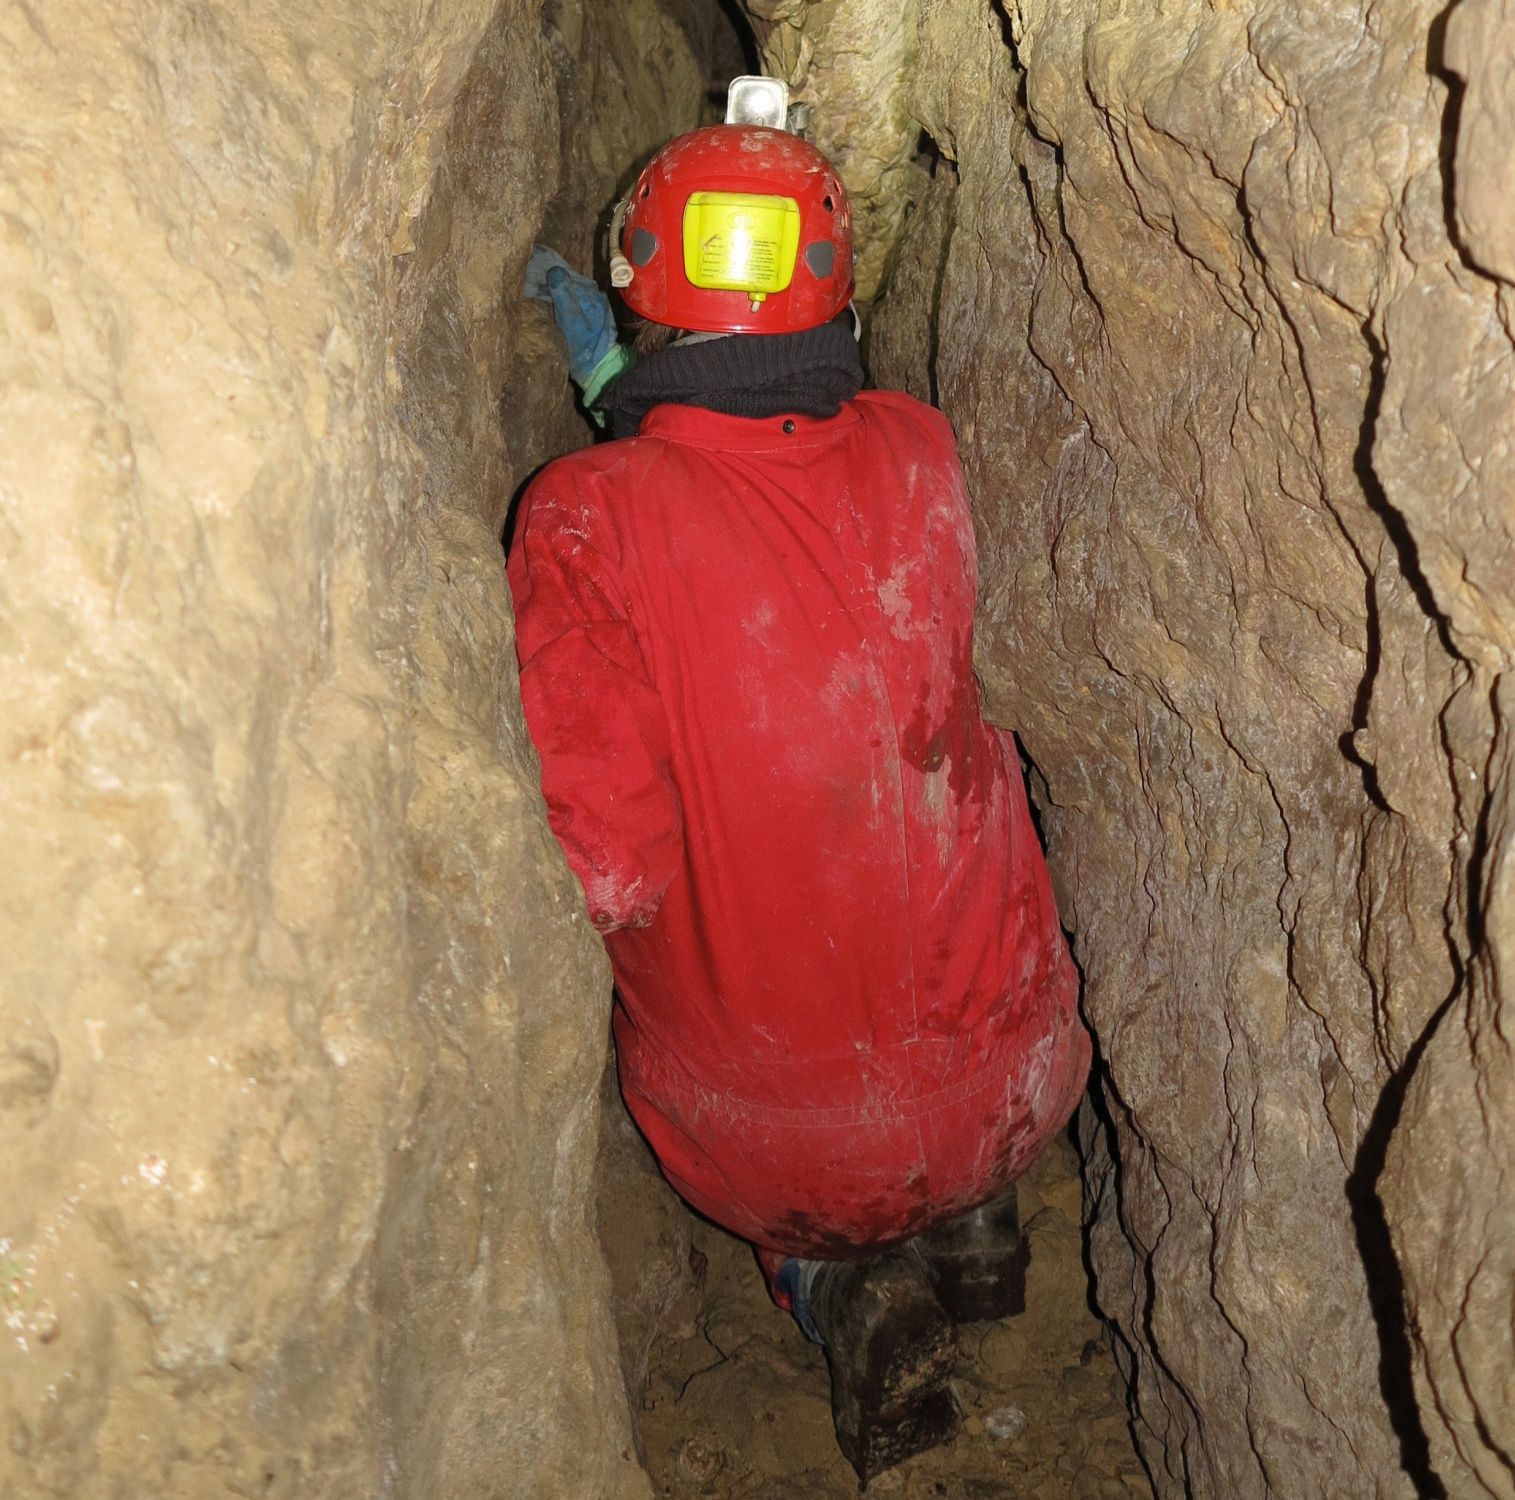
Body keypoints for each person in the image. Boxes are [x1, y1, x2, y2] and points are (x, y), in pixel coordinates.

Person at [511, 81, 1091, 1481]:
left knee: (791, 1115)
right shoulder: (922, 450)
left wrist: (619, 430)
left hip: (777, 1148)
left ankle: (839, 1288)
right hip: (1023, 1075)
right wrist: (648, 415)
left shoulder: (584, 520)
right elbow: (787, 500)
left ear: (642, 287)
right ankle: (978, 1222)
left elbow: (608, 864)